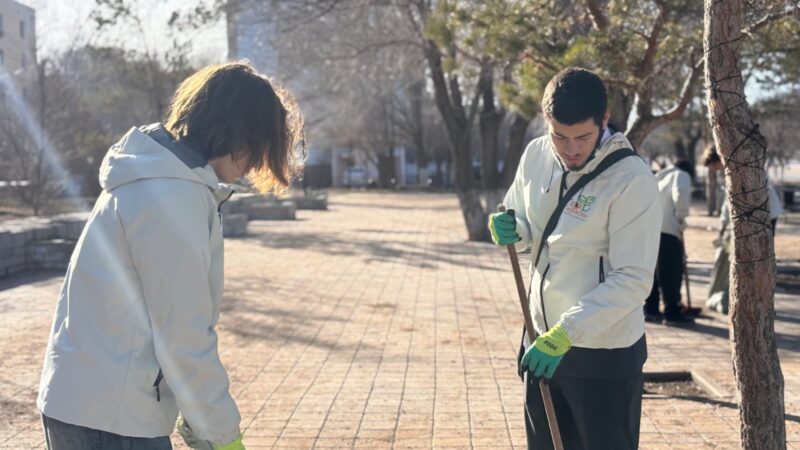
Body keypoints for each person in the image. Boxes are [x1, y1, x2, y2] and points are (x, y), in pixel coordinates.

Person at [37, 61, 303, 450]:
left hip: (85, 402)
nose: (252, 165)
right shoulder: (173, 196)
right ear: (239, 134)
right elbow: (184, 334)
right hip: (114, 420)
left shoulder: (148, 177)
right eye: (257, 149)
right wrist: (223, 436)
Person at [488, 67, 661, 450]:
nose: (570, 149)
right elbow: (525, 229)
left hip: (603, 353)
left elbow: (633, 279)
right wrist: (512, 231)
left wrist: (567, 333)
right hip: (540, 344)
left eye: (582, 136)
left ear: (604, 119)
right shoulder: (536, 154)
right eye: (559, 136)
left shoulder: (631, 179)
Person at [644, 160, 695, 325]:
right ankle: (672, 312)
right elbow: (680, 195)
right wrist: (681, 216)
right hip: (668, 229)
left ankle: (651, 309)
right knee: (671, 272)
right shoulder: (681, 175)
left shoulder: (659, 177)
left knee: (654, 271)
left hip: (650, 228)